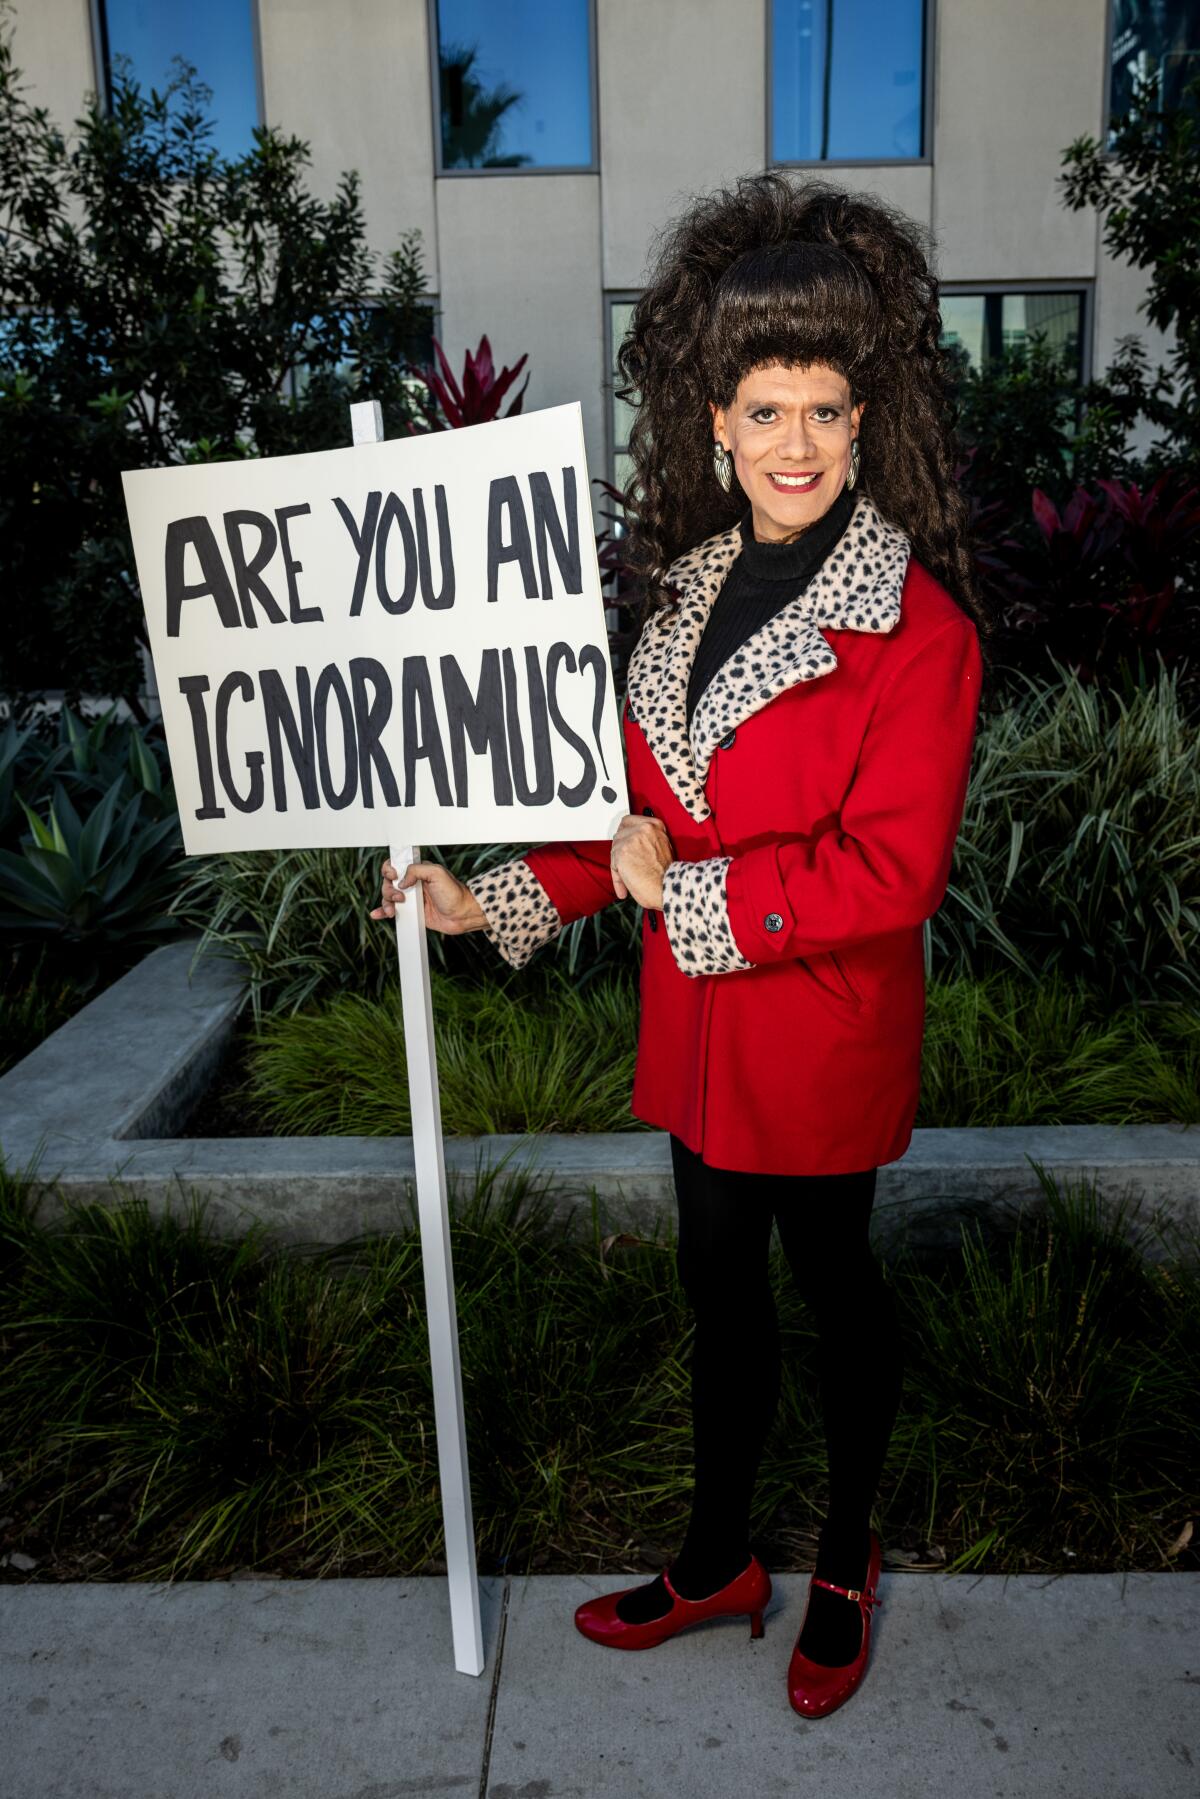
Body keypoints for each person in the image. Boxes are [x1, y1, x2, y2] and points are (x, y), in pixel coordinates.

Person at [369, 172, 991, 1720]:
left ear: (867, 424)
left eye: (826, 412)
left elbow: (888, 871)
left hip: (824, 1028)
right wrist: (488, 897)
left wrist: (683, 899)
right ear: (714, 420)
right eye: (765, 409)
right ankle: (720, 1556)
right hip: (700, 1041)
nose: (794, 445)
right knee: (718, 1289)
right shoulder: (679, 598)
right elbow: (627, 820)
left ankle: (842, 1560)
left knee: (835, 1286)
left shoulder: (920, 631)